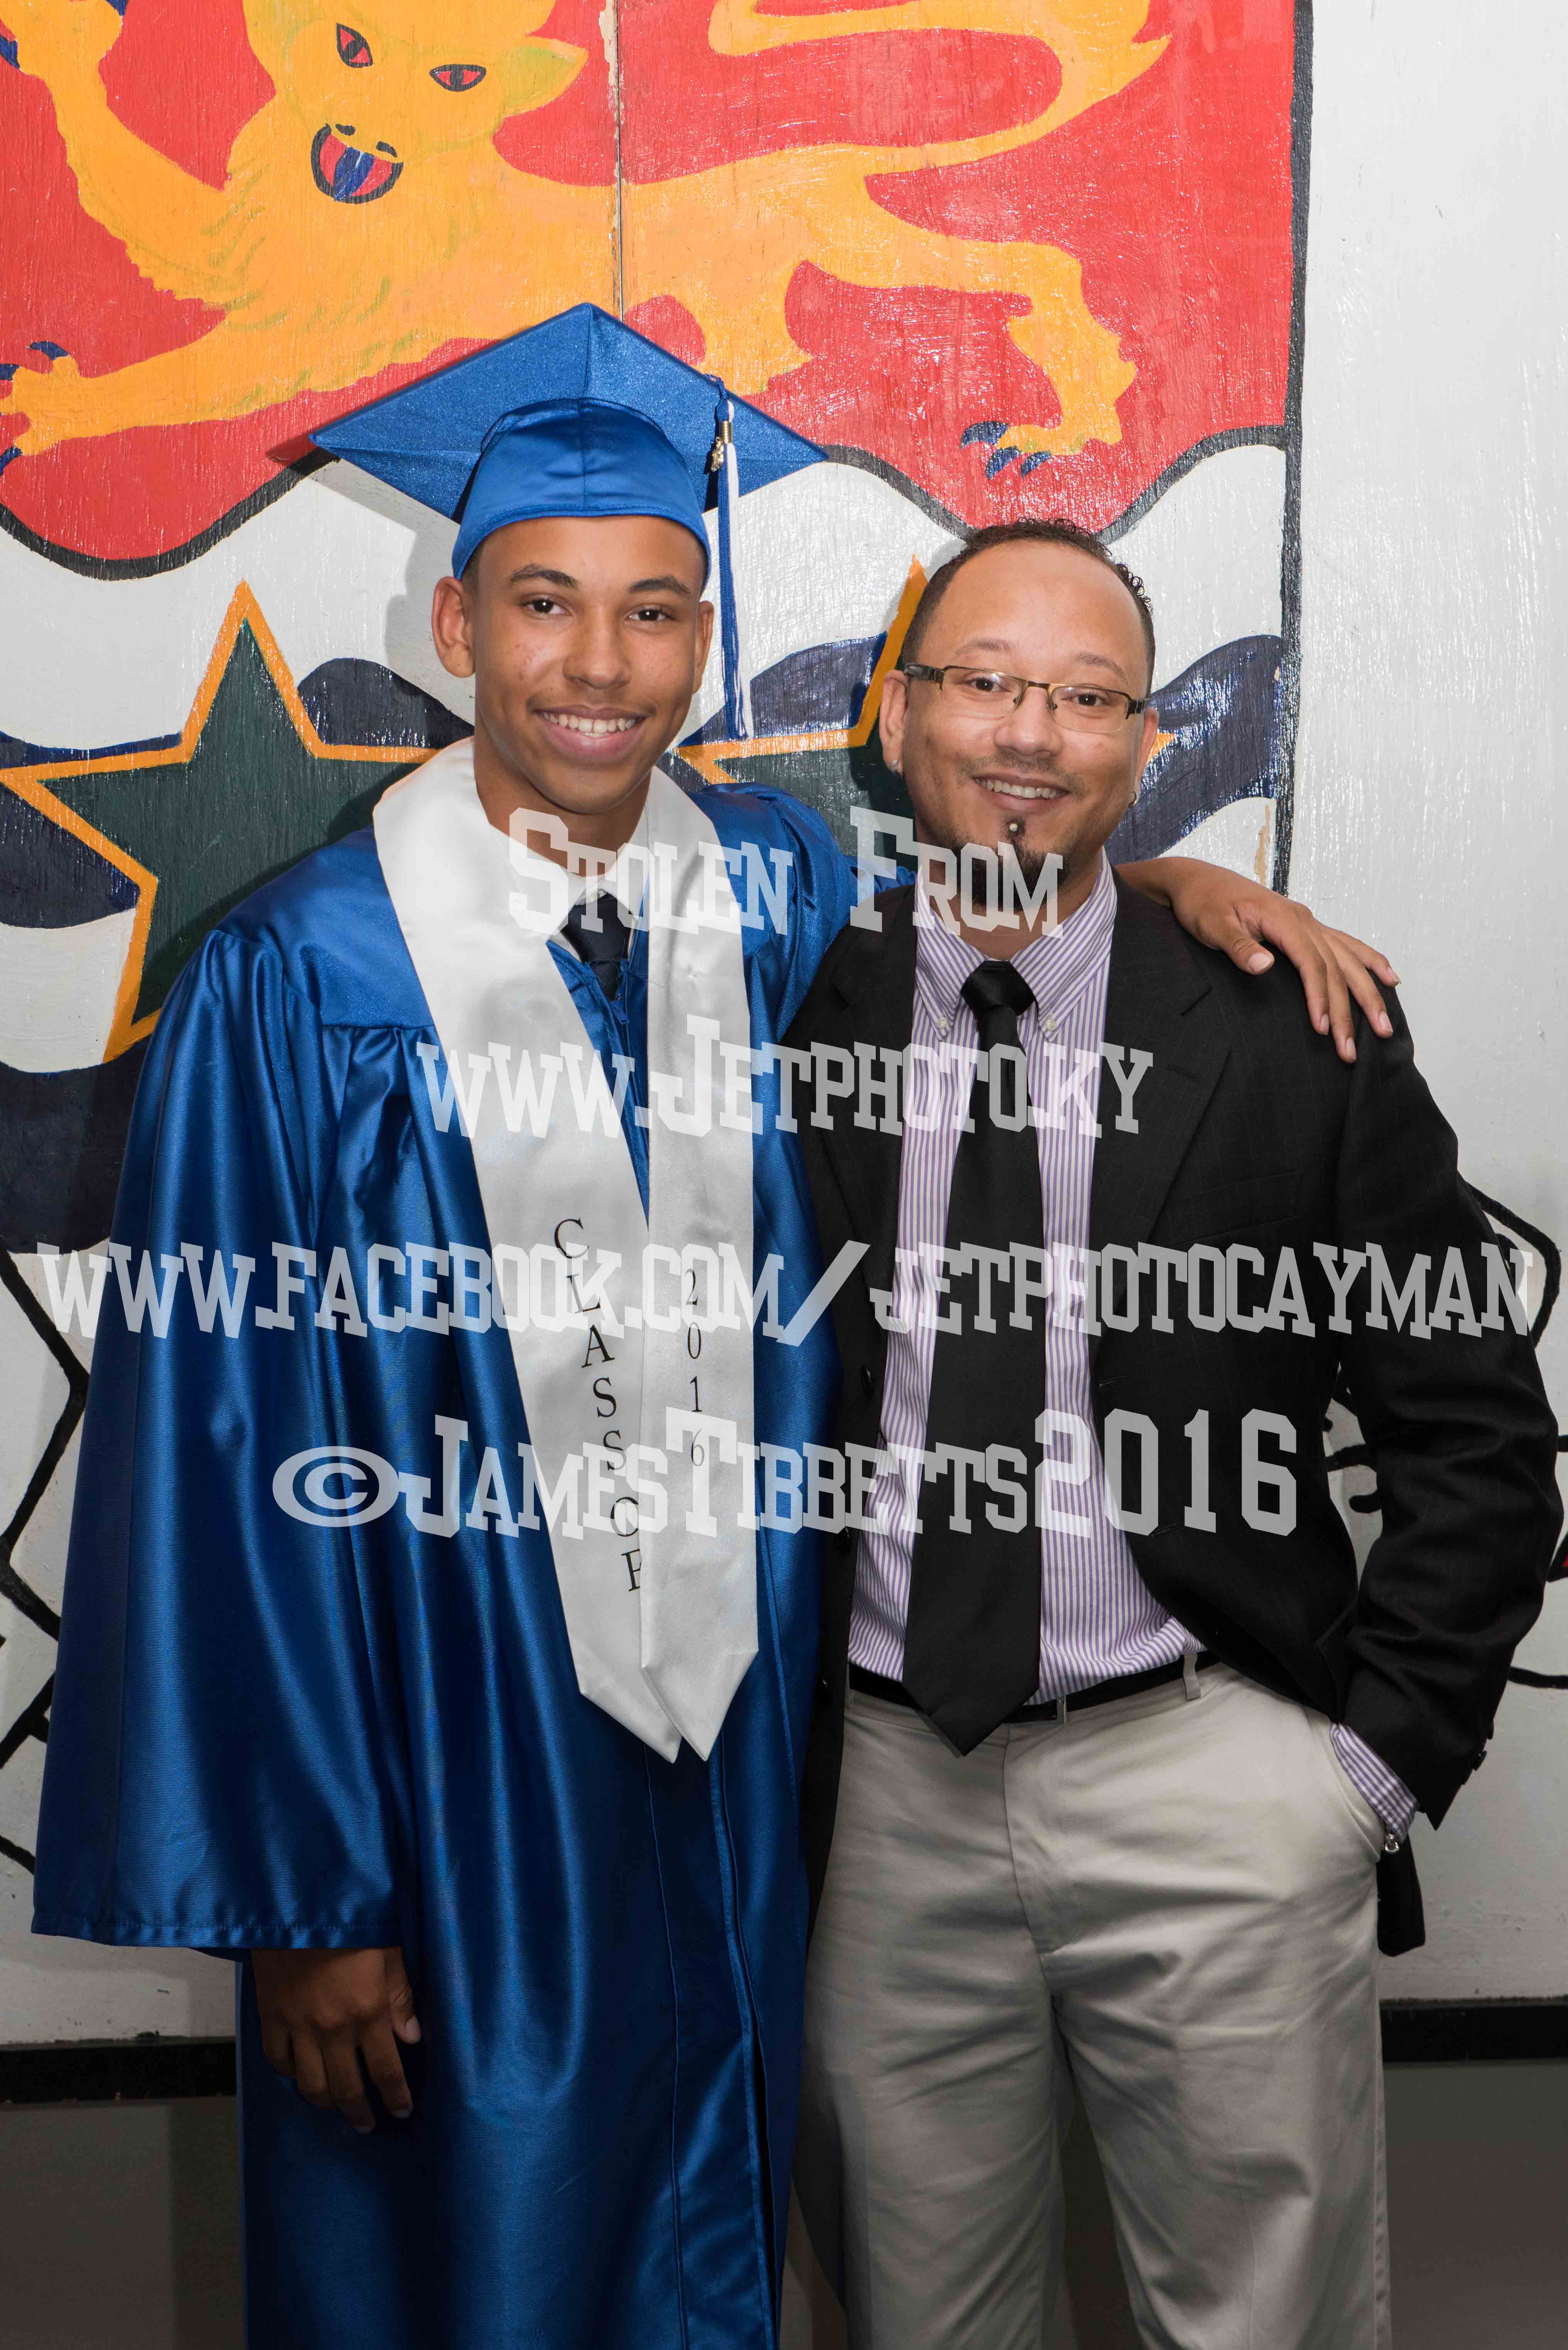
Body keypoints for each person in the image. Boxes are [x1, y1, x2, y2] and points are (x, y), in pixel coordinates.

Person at [33, 311, 1396, 2350]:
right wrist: (310, 1900)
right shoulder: (302, 979)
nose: (600, 663)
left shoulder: (759, 895)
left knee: (717, 2240)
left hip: (743, 1771)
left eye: (655, 611)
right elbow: (211, 1456)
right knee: (467, 2256)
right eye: (545, 604)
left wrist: (1183, 881)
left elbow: (1004, 920)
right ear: (456, 624)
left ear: (702, 641)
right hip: (449, 1783)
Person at [787, 517, 1562, 2350]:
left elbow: (1476, 1432)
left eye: (1087, 698)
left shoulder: (1298, 1033)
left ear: (1147, 747)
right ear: (898, 715)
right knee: (919, 2322)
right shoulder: (787, 999)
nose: (1028, 733)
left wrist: (1366, 1775)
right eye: (985, 682)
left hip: (1211, 1775)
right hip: (879, 1802)